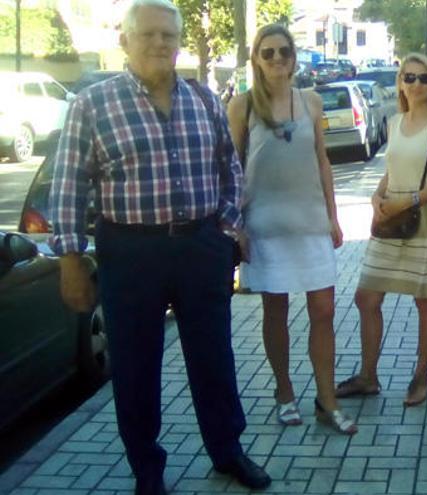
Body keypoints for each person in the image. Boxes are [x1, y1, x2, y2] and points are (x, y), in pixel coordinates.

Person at [49, 1, 271, 493]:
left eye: (168, 35)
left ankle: (227, 451)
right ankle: (147, 471)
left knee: (214, 358)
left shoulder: (204, 99)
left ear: (178, 42)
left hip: (200, 248)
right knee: (134, 366)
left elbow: (228, 170)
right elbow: (68, 184)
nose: (159, 44)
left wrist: (228, 227)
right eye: (147, 34)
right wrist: (70, 257)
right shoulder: (93, 104)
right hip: (129, 254)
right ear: (124, 41)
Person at [226, 24, 356, 434]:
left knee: (324, 311)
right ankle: (284, 393)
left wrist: (333, 217)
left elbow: (322, 161)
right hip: (265, 227)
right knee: (275, 312)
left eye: (284, 51)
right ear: (257, 60)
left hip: (310, 222)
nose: (277, 59)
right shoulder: (242, 106)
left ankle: (327, 400)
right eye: (268, 53)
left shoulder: (311, 101)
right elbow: (229, 171)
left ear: (294, 56)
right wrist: (236, 228)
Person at [335, 53, 427, 406]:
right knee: (367, 297)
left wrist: (409, 201)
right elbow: (392, 169)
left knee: (424, 299)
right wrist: (377, 195)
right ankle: (368, 376)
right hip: (391, 218)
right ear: (400, 82)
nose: (416, 84)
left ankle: (421, 375)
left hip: (424, 217)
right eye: (409, 77)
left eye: (424, 78)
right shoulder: (394, 122)